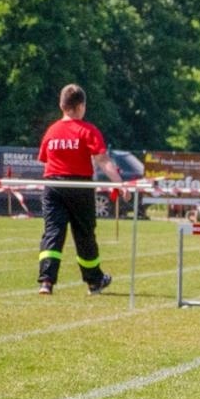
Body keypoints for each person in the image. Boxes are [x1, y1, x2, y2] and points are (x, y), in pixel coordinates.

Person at [35, 83, 121, 295]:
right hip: (79, 186)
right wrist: (119, 183)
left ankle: (46, 281)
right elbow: (103, 160)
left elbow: (44, 161)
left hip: (53, 185)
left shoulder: (52, 131)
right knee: (84, 234)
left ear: (62, 105)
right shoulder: (87, 130)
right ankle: (94, 281)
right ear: (81, 106)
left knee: (53, 232)